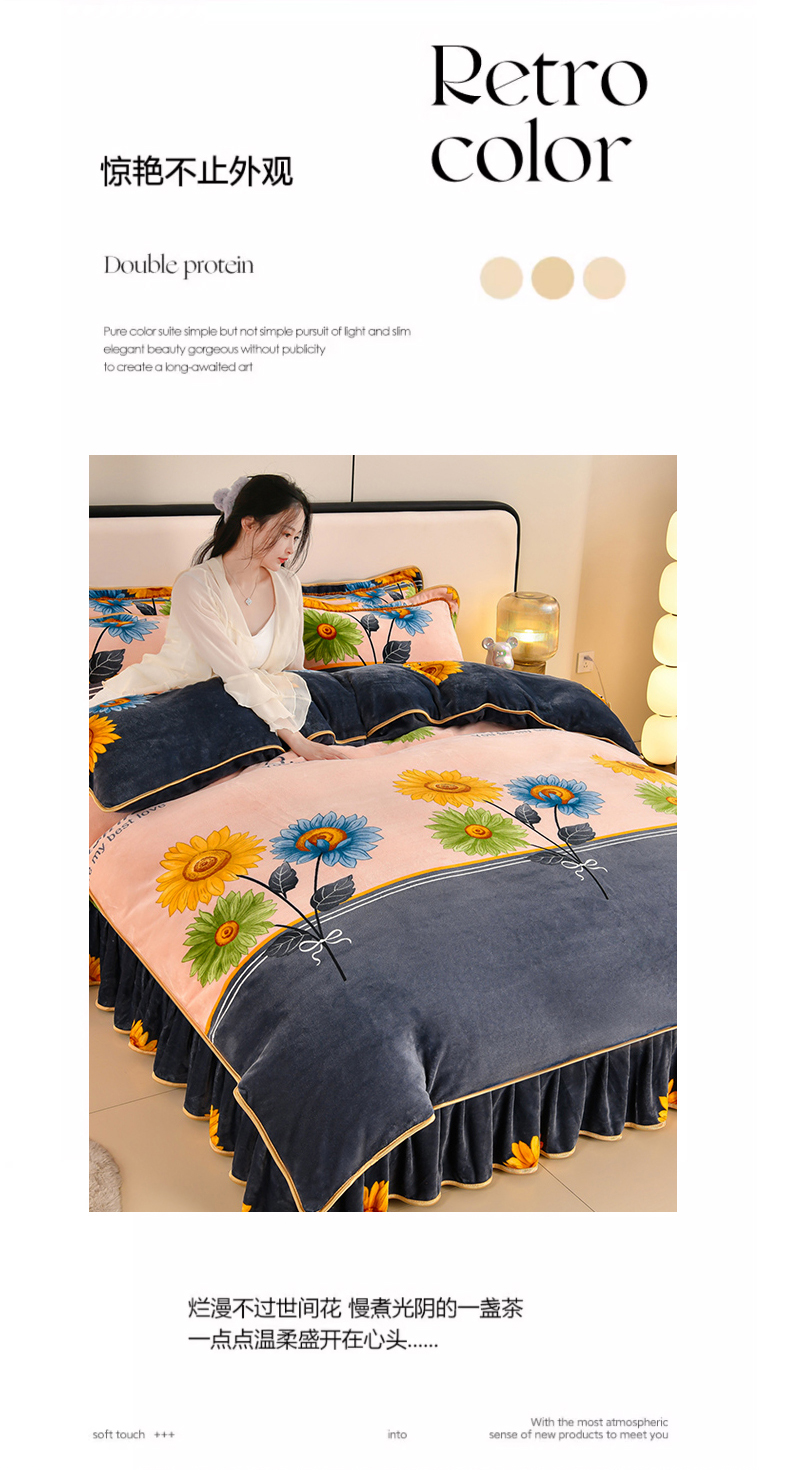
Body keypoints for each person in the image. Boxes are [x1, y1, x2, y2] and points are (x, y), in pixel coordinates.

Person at [89, 473, 360, 760]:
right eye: (285, 534)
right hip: (175, 702)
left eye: (296, 537)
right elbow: (236, 676)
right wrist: (299, 742)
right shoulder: (195, 586)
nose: (291, 549)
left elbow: (293, 673)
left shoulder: (288, 584)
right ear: (249, 523)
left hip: (251, 714)